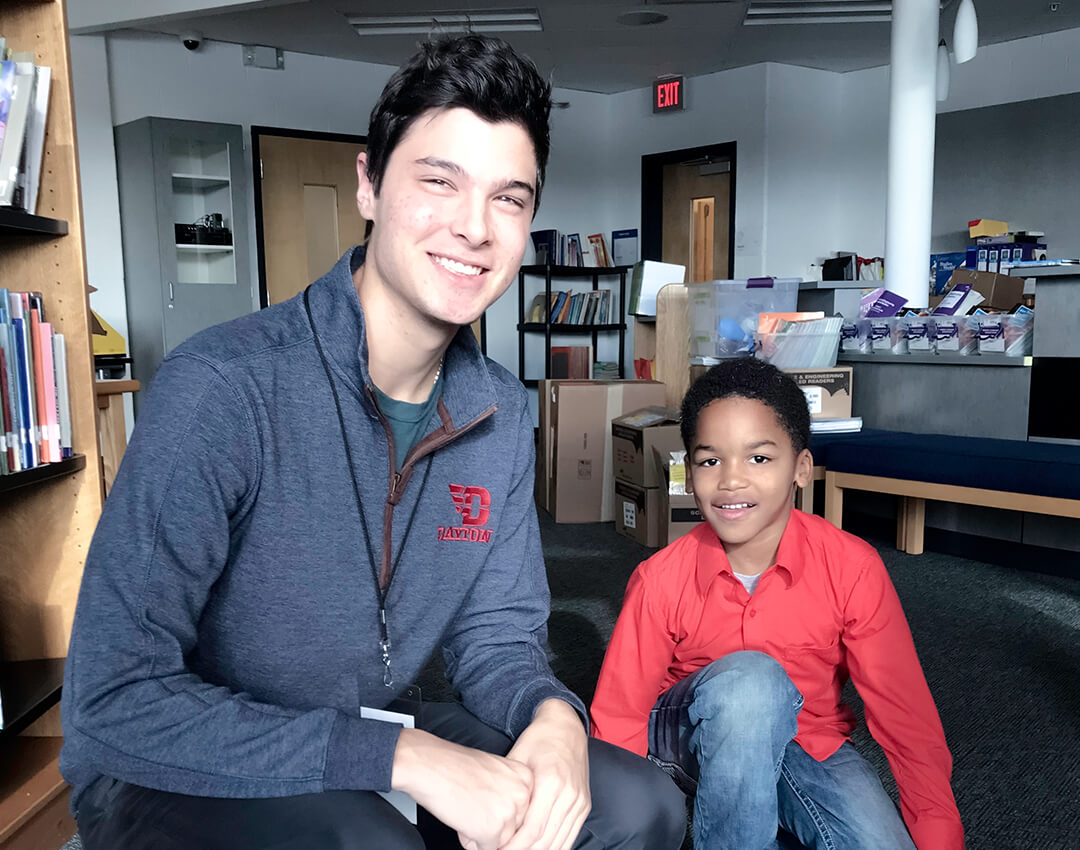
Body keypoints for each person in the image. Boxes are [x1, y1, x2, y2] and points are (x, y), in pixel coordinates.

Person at [61, 34, 685, 850]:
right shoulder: (224, 387)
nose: (474, 228)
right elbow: (113, 700)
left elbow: (497, 637)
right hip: (166, 766)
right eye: (439, 181)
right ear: (369, 185)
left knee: (641, 806)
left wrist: (553, 719)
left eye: (509, 198)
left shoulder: (498, 408)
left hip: (362, 730)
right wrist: (406, 755)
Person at [590, 358, 964, 850]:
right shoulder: (660, 578)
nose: (731, 481)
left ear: (801, 469)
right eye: (709, 460)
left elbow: (906, 717)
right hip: (681, 741)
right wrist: (630, 818)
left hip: (806, 741)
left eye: (759, 459)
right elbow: (618, 717)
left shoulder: (853, 567)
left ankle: (756, 807)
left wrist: (940, 836)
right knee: (751, 682)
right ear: (687, 471)